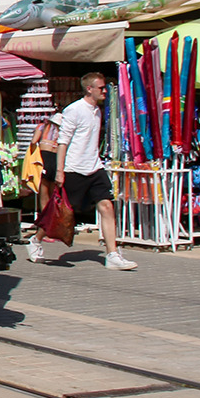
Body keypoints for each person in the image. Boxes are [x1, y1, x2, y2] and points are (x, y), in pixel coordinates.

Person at [47, 72, 137, 271]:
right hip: (74, 169)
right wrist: (60, 171)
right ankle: (36, 239)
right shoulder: (74, 110)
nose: (105, 91)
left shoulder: (97, 110)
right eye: (101, 88)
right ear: (90, 89)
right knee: (63, 213)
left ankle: (112, 255)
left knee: (106, 206)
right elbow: (63, 142)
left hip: (94, 167)